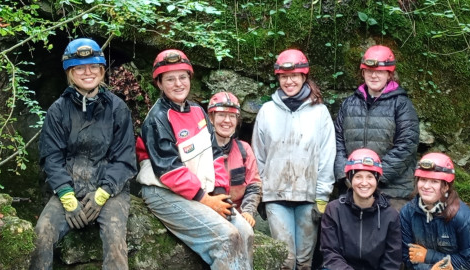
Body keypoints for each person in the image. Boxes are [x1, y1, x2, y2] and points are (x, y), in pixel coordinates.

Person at [138, 49, 253, 269]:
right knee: (226, 237)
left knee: (245, 232)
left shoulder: (198, 111)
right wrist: (205, 199)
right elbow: (169, 170)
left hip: (199, 190)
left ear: (190, 78)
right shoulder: (157, 118)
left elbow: (216, 154)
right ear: (159, 83)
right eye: (170, 79)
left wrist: (219, 192)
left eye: (183, 77)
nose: (178, 84)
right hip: (162, 192)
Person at [32, 38, 137, 269]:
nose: (88, 72)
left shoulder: (117, 108)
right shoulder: (58, 110)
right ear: (70, 72)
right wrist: (67, 196)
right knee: (41, 234)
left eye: (93, 67)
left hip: (110, 190)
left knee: (115, 240)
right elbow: (51, 157)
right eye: (80, 68)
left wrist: (103, 193)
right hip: (70, 186)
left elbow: (125, 159)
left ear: (102, 70)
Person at [252, 48, 336, 270]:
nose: (289, 81)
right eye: (284, 77)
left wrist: (322, 196)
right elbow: (258, 156)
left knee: (304, 262)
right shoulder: (267, 111)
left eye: (294, 76)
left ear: (304, 76)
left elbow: (327, 156)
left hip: (308, 196)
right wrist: (262, 193)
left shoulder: (320, 112)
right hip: (275, 195)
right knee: (285, 261)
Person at [334, 45, 419, 212]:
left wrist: (375, 175)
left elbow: (407, 145)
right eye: (369, 71)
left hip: (392, 191)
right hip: (354, 188)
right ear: (363, 73)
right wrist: (346, 174)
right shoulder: (349, 104)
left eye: (379, 71)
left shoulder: (402, 104)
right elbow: (338, 142)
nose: (373, 75)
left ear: (389, 74)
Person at [401, 153, 470, 270]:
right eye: (423, 179)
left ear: (446, 186)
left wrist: (429, 256)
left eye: (434, 181)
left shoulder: (464, 217)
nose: (426, 186)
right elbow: (407, 257)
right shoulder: (408, 212)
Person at [320, 148, 402, 269]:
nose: (364, 183)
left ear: (377, 179)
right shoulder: (334, 210)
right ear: (350, 179)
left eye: (369, 177)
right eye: (358, 177)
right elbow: (330, 252)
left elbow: (392, 260)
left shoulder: (391, 215)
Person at [207, 91, 263, 227]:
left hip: (238, 216)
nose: (227, 120)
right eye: (221, 115)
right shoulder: (200, 149)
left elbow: (253, 185)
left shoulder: (244, 149)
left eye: (232, 116)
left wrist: (248, 212)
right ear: (211, 118)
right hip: (208, 215)